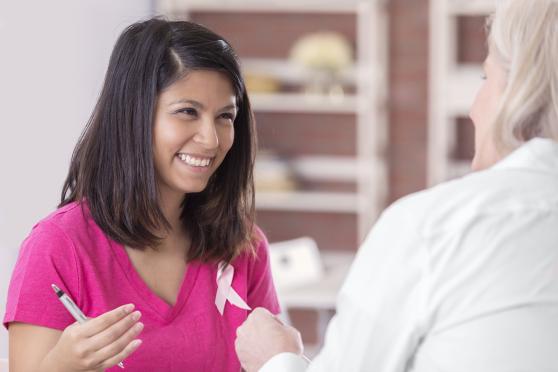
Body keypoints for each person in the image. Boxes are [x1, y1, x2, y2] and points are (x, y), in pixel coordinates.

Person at [235, 0, 558, 370]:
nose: (473, 108)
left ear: (518, 91)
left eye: (486, 78)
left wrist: (275, 359)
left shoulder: (434, 227)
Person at [4, 18, 279, 371]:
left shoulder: (244, 247)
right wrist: (62, 365)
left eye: (225, 116)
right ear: (133, 115)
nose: (211, 139)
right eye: (187, 112)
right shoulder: (58, 246)